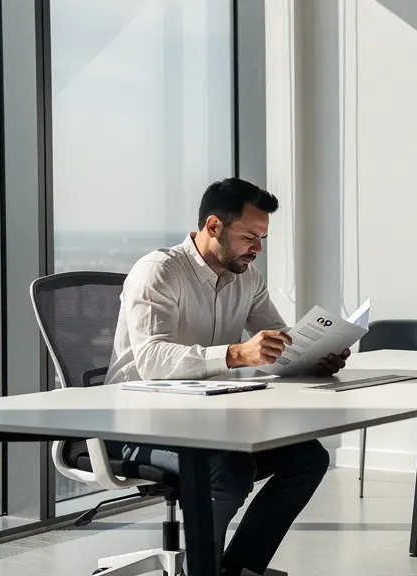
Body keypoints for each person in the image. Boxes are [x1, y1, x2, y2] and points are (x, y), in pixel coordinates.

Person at [104, 177, 349, 575]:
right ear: (214, 226)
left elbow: (279, 343)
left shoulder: (246, 278)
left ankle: (237, 569)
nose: (257, 248)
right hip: (135, 423)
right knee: (227, 469)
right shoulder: (159, 271)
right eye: (250, 236)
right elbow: (151, 360)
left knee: (308, 459)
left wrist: (313, 357)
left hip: (205, 419)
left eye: (263, 238)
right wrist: (237, 353)